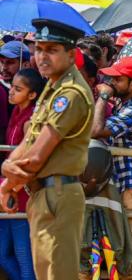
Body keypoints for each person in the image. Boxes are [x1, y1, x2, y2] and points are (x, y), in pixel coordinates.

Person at [0, 18, 94, 279]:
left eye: (52, 50)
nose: (42, 56)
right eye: (39, 49)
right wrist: (8, 181)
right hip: (44, 193)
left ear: (71, 54)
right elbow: (29, 138)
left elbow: (36, 156)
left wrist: (8, 173)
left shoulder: (70, 93)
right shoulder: (52, 87)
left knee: (58, 274)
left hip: (59, 193)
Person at [91, 56, 132, 275]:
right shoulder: (122, 104)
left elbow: (96, 131)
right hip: (122, 185)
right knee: (125, 254)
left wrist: (103, 96)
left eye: (117, 80)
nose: (111, 84)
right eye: (110, 79)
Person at [0, 68, 45, 280]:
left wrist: (11, 187)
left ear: (32, 94)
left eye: (18, 89)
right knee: (2, 254)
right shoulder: (16, 113)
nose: (11, 92)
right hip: (7, 190)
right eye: (12, 88)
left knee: (23, 255)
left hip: (21, 193)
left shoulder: (31, 120)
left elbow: (30, 161)